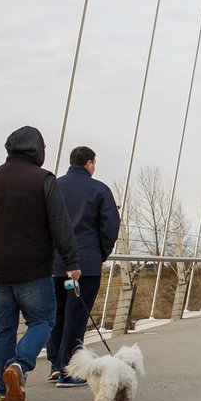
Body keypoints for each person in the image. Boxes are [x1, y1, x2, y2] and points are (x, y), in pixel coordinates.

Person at [0, 126, 81, 401]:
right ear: (37, 150)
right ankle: (19, 365)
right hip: (32, 268)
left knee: (4, 330)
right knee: (43, 321)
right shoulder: (43, 179)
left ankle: (6, 393)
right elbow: (60, 224)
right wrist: (71, 261)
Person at [47, 146, 120, 388]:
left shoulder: (53, 186)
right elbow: (109, 227)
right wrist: (101, 254)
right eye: (94, 163)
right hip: (85, 265)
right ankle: (70, 372)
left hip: (55, 264)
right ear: (89, 163)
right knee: (76, 316)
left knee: (57, 314)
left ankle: (56, 365)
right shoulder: (99, 189)